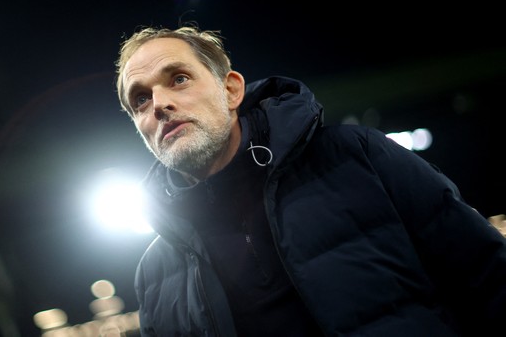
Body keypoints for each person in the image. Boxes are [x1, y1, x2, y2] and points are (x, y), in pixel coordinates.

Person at [113, 24, 506, 336]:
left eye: (179, 79)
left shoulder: (356, 156)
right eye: (140, 100)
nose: (160, 104)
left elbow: (488, 277)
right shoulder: (154, 273)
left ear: (231, 89)